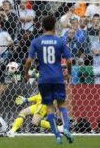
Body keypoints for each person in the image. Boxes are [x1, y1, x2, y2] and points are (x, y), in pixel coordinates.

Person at [24, 15, 73, 144]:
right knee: (61, 105)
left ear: (42, 27)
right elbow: (69, 60)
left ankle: (57, 135)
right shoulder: (60, 41)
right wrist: (69, 73)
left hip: (44, 79)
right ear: (55, 27)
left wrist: (26, 74)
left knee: (49, 107)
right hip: (57, 78)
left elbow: (29, 60)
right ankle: (66, 128)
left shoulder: (36, 41)